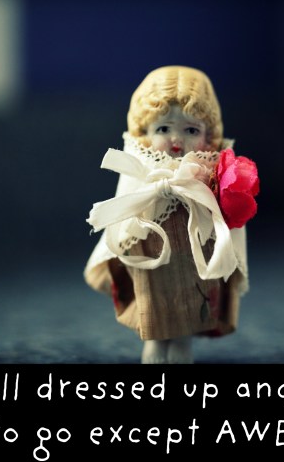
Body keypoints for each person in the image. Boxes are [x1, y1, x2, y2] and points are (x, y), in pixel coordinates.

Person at [84, 66, 252, 363]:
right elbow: (126, 201)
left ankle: (183, 342)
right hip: (150, 244)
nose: (176, 140)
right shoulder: (139, 165)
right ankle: (154, 341)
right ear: (145, 132)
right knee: (152, 292)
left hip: (195, 246)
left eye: (191, 130)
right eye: (163, 129)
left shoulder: (210, 168)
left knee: (193, 291)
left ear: (208, 135)